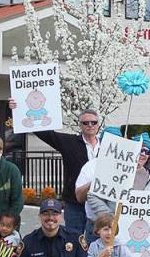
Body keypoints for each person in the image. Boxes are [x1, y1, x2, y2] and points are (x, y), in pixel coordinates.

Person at [11, 98, 101, 234]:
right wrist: (19, 110)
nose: (90, 125)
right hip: (75, 203)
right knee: (74, 238)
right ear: (80, 125)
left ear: (98, 125)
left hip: (100, 202)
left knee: (98, 239)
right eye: (85, 123)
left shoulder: (108, 145)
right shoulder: (70, 142)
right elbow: (45, 133)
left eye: (93, 122)